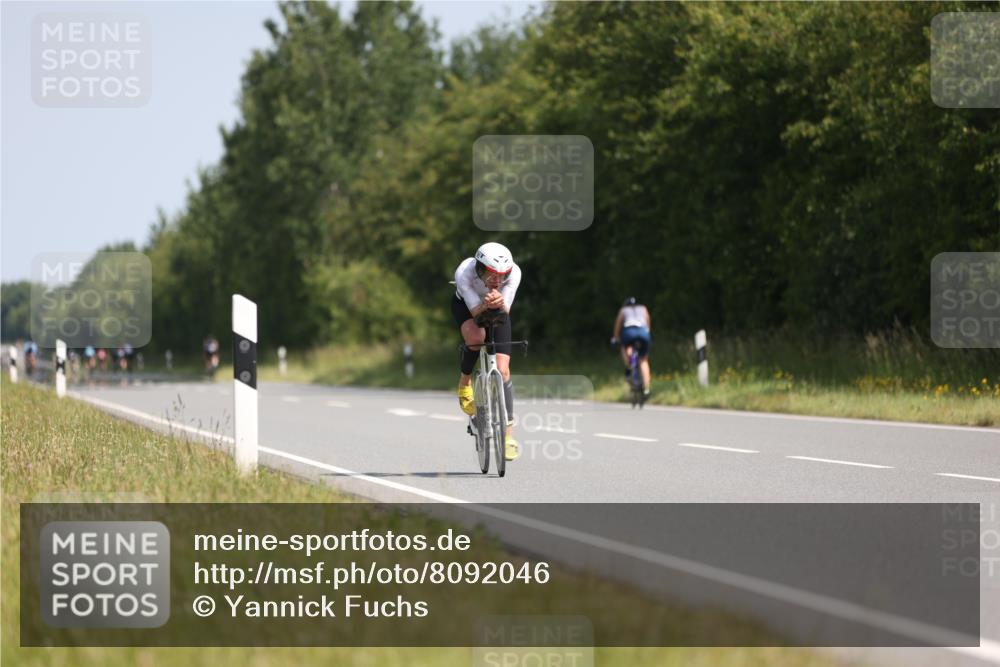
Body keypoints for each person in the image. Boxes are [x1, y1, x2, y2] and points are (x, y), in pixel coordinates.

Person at [452, 242, 522, 461]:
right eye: (491, 274)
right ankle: (465, 383)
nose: (497, 280)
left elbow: (503, 314)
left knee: (503, 370)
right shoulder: (464, 272)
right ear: (479, 268)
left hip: (497, 307)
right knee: (477, 337)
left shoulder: (515, 273)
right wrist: (486, 304)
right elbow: (476, 313)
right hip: (467, 306)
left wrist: (499, 303)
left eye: (502, 275)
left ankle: (508, 435)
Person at [612, 297, 652, 398]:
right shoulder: (643, 308)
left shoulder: (623, 310)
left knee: (625, 346)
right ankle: (646, 388)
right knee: (643, 360)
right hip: (643, 332)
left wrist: (616, 337)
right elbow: (647, 322)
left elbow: (618, 324)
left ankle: (630, 365)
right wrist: (648, 333)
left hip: (629, 332)